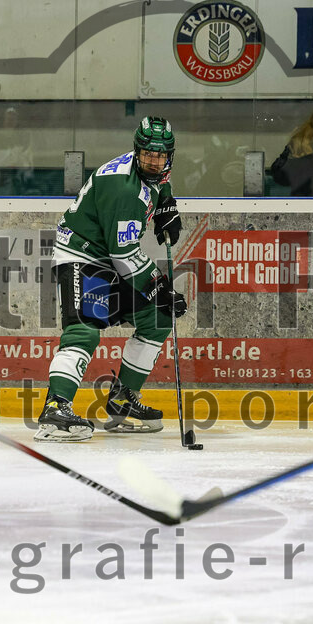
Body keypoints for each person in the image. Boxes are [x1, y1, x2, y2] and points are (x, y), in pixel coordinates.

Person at [37, 116, 187, 442]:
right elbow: (123, 254)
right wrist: (159, 285)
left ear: (169, 157)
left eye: (160, 156)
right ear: (137, 151)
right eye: (147, 154)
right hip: (83, 256)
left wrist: (166, 205)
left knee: (158, 317)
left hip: (108, 257)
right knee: (84, 329)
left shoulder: (153, 173)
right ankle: (55, 407)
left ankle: (121, 400)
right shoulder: (124, 190)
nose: (152, 160)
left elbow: (160, 185)